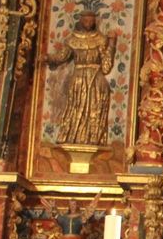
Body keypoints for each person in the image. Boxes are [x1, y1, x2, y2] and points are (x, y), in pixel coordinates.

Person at [48, 9, 117, 145]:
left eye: (92, 19)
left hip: (96, 80)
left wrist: (112, 44)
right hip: (78, 79)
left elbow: (106, 67)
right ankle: (73, 137)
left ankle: (93, 138)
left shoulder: (101, 39)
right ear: (80, 20)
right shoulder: (72, 39)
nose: (89, 22)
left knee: (94, 109)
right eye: (86, 19)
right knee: (76, 107)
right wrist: (48, 58)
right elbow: (62, 56)